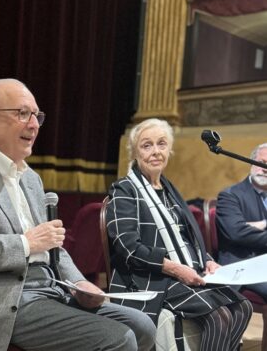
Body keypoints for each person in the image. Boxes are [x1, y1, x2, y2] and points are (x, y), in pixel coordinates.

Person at [0, 78, 156, 351]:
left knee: (143, 326)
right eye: (22, 113)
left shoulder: (31, 178)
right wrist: (26, 243)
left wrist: (80, 282)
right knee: (118, 338)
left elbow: (52, 245)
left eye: (37, 115)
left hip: (48, 291)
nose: (34, 124)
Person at [105, 118, 252, 351]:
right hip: (150, 277)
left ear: (169, 150)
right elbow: (128, 246)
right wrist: (176, 269)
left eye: (161, 144)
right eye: (147, 145)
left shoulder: (168, 189)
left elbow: (186, 238)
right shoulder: (124, 189)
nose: (156, 152)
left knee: (244, 307)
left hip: (184, 270)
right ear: (134, 151)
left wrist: (207, 260)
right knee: (219, 316)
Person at [216, 142, 267, 299]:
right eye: (261, 163)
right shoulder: (230, 195)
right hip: (244, 266)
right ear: (251, 163)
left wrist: (261, 225)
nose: (265, 169)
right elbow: (237, 233)